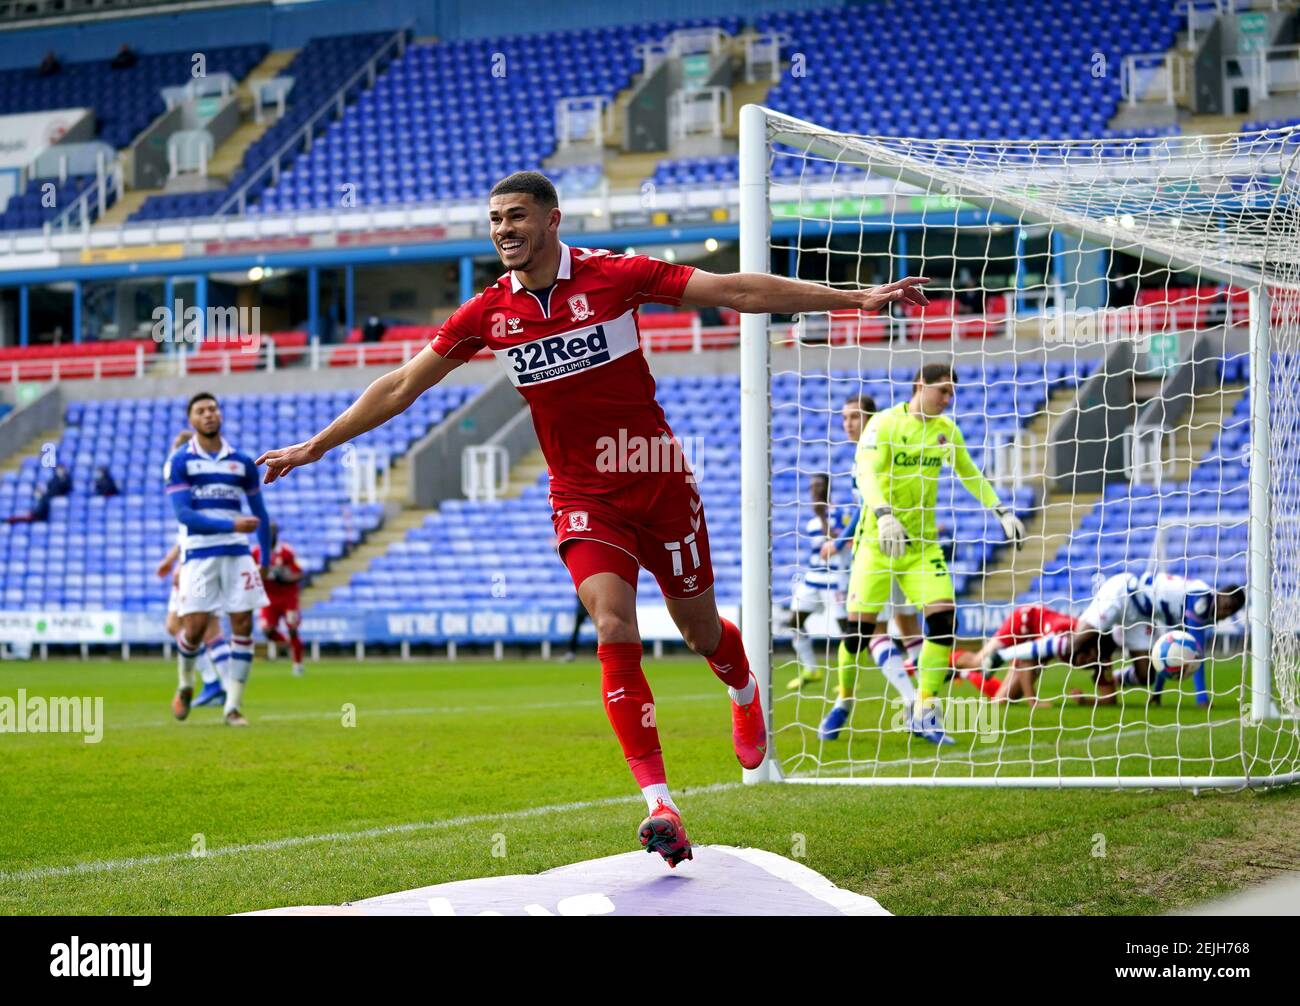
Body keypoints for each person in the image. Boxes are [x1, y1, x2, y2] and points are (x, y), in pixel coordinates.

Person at [256, 170, 930, 868]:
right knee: (612, 621)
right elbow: (400, 384)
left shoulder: (617, 276)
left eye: (515, 216)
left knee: (700, 631)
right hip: (582, 494)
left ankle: (744, 687)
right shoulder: (487, 313)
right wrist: (316, 446)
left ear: (552, 219)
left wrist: (854, 297)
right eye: (494, 219)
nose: (502, 229)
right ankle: (660, 804)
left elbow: (734, 290)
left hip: (660, 480)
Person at [839, 362, 1026, 746]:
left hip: (922, 546)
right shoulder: (885, 424)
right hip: (876, 543)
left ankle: (924, 710)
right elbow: (867, 475)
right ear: (920, 385)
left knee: (943, 620)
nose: (949, 399)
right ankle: (843, 700)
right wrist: (884, 515)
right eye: (943, 391)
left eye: (952, 392)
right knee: (857, 634)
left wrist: (1002, 511)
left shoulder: (946, 431)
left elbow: (970, 473)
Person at [986, 572, 1246, 709]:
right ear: (1219, 594)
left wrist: (1155, 693)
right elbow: (1195, 652)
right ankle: (1003, 655)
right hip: (1121, 593)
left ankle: (1113, 678)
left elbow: (1171, 653)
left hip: (1141, 614)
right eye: (1225, 605)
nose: (1224, 612)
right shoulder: (1202, 601)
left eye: (1229, 611)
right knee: (1077, 641)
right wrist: (1202, 699)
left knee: (1145, 673)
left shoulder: (1202, 604)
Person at [166, 392, 272, 727]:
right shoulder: (181, 461)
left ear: (220, 415)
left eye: (213, 409)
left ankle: (233, 706)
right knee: (194, 630)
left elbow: (261, 514)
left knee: (243, 624)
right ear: (191, 420)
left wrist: (265, 557)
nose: (209, 415)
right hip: (199, 554)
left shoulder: (242, 462)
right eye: (201, 411)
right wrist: (231, 523)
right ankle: (185, 682)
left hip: (238, 551)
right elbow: (185, 515)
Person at [252, 522, 305, 677]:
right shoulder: (256, 553)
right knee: (267, 630)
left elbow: (299, 573)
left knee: (293, 629)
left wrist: (285, 578)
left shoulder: (286, 552)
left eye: (272, 533)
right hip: (268, 599)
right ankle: (290, 646)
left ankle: (298, 666)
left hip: (288, 598)